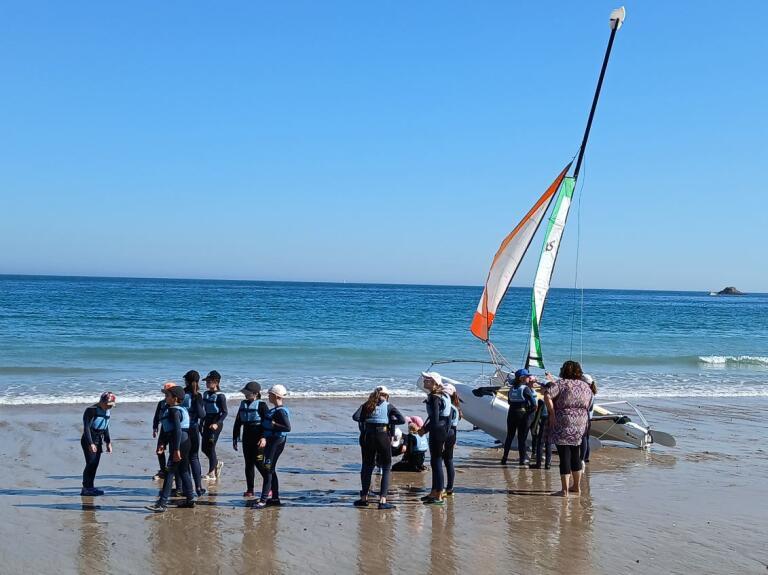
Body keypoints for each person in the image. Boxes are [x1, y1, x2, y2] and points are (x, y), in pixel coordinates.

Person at [543, 360, 594, 497]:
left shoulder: (561, 384)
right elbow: (590, 404)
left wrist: (552, 413)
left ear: (564, 370)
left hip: (563, 420)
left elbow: (547, 395)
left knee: (564, 454)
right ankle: (576, 487)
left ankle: (564, 490)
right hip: (581, 422)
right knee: (575, 453)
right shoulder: (585, 386)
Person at [352, 386, 405, 510]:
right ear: (386, 395)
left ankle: (364, 498)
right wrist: (388, 421)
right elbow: (402, 420)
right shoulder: (388, 406)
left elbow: (355, 417)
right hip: (382, 435)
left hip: (368, 436)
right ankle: (382, 500)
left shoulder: (367, 404)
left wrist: (367, 420)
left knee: (367, 466)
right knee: (386, 466)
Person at [147, 385, 196, 512]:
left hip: (179, 443)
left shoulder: (174, 411)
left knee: (169, 472)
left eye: (167, 395)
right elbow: (168, 429)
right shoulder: (177, 409)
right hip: (185, 442)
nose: (165, 397)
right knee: (184, 471)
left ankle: (162, 504)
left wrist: (176, 449)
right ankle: (190, 499)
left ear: (175, 398)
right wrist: (162, 443)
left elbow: (178, 430)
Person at [250, 384, 291, 509]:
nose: (268, 396)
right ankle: (275, 498)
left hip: (276, 442)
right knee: (270, 470)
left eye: (270, 395)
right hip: (271, 441)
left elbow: (287, 428)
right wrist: (264, 437)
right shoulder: (274, 410)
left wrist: (274, 425)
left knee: (268, 470)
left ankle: (263, 500)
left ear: (276, 396)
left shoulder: (281, 412)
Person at [419, 372, 453, 505]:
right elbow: (447, 417)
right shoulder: (444, 395)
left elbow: (434, 419)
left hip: (438, 431)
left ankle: (439, 495)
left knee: (436, 462)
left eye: (427, 379)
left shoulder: (435, 397)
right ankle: (434, 492)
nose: (424, 381)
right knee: (435, 462)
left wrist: (424, 430)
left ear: (434, 383)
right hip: (444, 429)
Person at [233, 381, 268, 498]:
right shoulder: (243, 404)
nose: (245, 395)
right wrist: (235, 437)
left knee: (259, 463)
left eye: (248, 393)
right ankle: (250, 489)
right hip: (247, 437)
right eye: (245, 393)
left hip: (258, 438)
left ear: (256, 393)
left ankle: (270, 486)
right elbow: (238, 422)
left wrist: (264, 437)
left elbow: (267, 424)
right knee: (248, 464)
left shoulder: (262, 405)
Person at [80, 392, 116, 496]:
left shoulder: (107, 411)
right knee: (90, 464)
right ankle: (86, 488)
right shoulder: (91, 410)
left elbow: (106, 427)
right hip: (89, 439)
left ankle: (91, 487)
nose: (110, 407)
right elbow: (86, 428)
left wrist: (108, 442)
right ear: (102, 402)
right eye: (108, 404)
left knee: (95, 465)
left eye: (111, 405)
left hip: (98, 439)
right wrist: (90, 443)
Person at [501, 369, 537, 466]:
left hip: (511, 414)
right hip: (522, 415)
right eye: (527, 376)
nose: (529, 378)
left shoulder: (511, 388)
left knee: (509, 436)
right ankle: (522, 460)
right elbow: (534, 405)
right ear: (522, 378)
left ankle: (504, 458)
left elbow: (509, 402)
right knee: (522, 438)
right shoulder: (525, 389)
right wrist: (529, 413)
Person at [181, 370, 207, 496]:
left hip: (183, 430)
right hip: (194, 429)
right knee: (194, 457)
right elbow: (202, 415)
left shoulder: (182, 393)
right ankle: (199, 487)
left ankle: (187, 489)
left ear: (186, 381)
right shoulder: (198, 396)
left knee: (184, 459)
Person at [200, 370, 228, 481]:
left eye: (209, 381)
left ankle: (212, 473)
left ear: (216, 382)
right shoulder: (205, 394)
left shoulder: (220, 396)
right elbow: (203, 410)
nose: (207, 383)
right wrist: (201, 423)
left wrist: (217, 423)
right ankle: (216, 464)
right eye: (206, 381)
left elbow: (225, 412)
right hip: (206, 422)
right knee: (204, 448)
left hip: (216, 423)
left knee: (211, 447)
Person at [443, 383, 462, 496]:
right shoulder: (456, 407)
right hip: (452, 434)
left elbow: (448, 424)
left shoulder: (449, 407)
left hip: (447, 434)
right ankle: (450, 487)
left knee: (446, 461)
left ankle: (447, 487)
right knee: (448, 461)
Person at [151, 384, 174, 480]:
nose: (166, 394)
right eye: (165, 393)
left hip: (173, 431)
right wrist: (155, 428)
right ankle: (163, 471)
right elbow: (156, 416)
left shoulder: (177, 404)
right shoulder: (161, 403)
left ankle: (172, 471)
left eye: (167, 393)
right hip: (163, 430)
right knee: (159, 451)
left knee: (173, 452)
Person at [580, 374, 598, 464]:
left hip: (585, 418)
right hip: (588, 418)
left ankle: (582, 458)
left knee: (583, 438)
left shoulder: (587, 393)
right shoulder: (592, 392)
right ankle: (586, 457)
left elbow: (588, 408)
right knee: (586, 438)